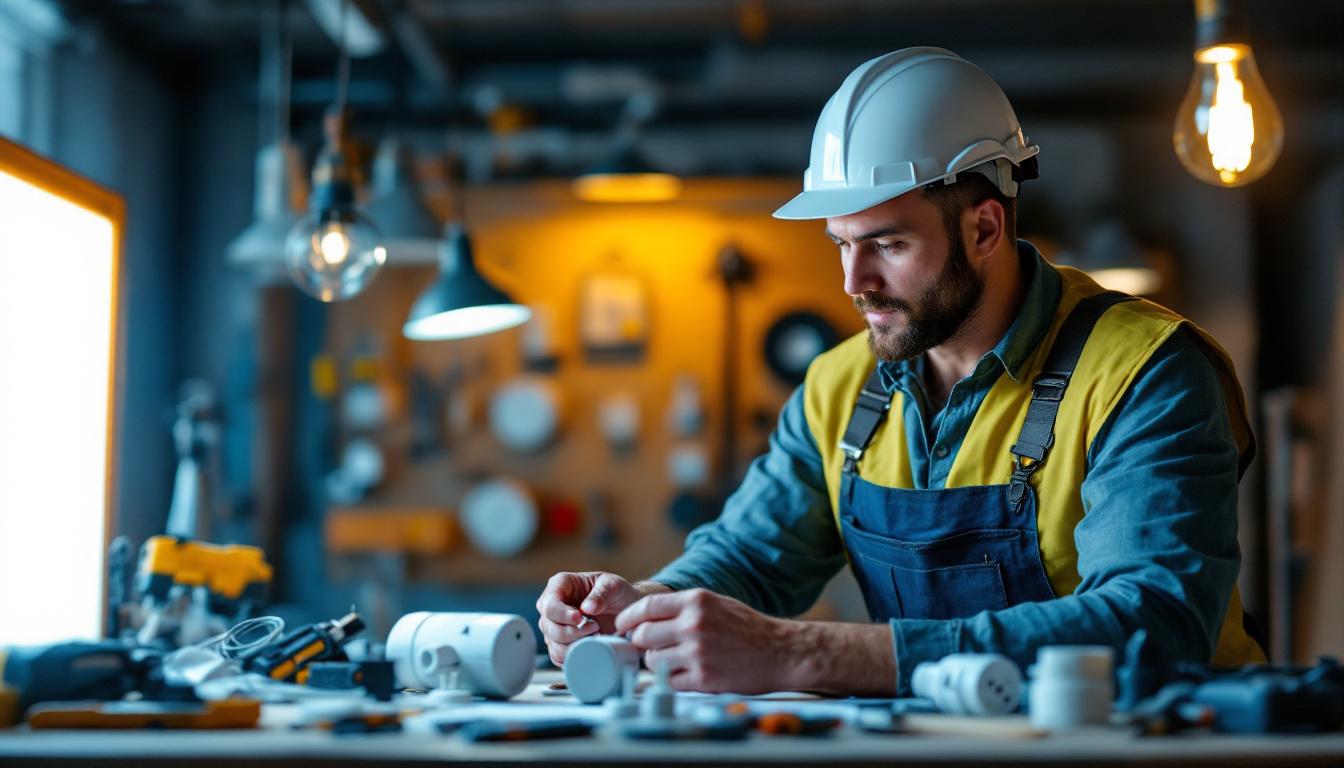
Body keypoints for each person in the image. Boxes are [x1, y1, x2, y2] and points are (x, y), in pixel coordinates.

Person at [535, 47, 1265, 696]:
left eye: (885, 243)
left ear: (985, 227)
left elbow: (1154, 622)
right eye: (840, 244)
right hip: (950, 745)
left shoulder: (1146, 372)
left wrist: (806, 653)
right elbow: (754, 556)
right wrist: (641, 608)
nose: (855, 280)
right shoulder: (838, 385)